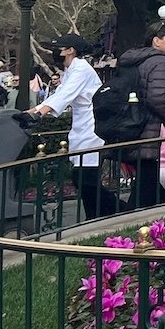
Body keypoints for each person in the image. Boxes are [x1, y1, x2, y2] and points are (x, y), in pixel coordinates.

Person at [27, 35, 117, 219]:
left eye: (60, 48)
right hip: (81, 127)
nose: (56, 52)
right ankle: (96, 216)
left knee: (86, 179)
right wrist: (31, 111)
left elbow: (65, 95)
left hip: (92, 127)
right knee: (82, 179)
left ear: (70, 50)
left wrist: (39, 113)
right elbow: (57, 95)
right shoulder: (70, 70)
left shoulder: (81, 69)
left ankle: (117, 211)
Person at [116, 21, 165, 209]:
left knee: (147, 182)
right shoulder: (160, 62)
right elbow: (158, 97)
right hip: (153, 132)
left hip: (136, 127)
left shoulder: (138, 61)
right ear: (156, 41)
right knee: (147, 187)